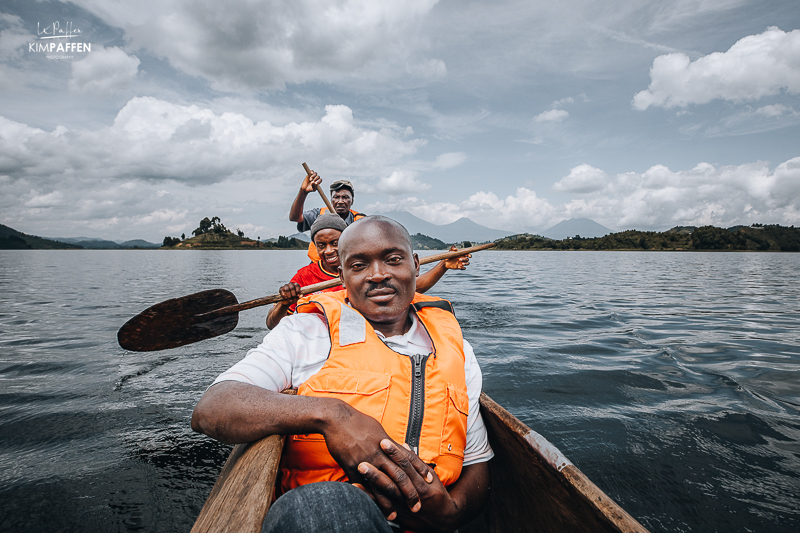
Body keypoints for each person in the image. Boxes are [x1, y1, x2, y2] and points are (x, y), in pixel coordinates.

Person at [192, 216, 492, 533]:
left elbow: (477, 462)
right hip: (330, 519)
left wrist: (451, 513)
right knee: (319, 505)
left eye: (393, 260)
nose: (378, 275)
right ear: (342, 275)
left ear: (415, 265)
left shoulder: (455, 349)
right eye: (359, 265)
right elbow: (212, 407)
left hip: (429, 525)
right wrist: (332, 415)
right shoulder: (306, 331)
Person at [266, 213, 472, 330]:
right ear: (341, 277)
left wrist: (443, 265)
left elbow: (409, 288)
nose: (328, 251)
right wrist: (284, 303)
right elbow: (272, 324)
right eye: (321, 245)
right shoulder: (304, 277)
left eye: (335, 243)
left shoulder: (367, 272)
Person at [289, 170, 365, 262]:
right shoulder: (318, 214)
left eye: (345, 197)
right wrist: (303, 192)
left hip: (347, 267)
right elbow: (294, 217)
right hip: (318, 267)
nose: (340, 201)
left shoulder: (361, 221)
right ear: (331, 200)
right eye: (336, 197)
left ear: (352, 200)